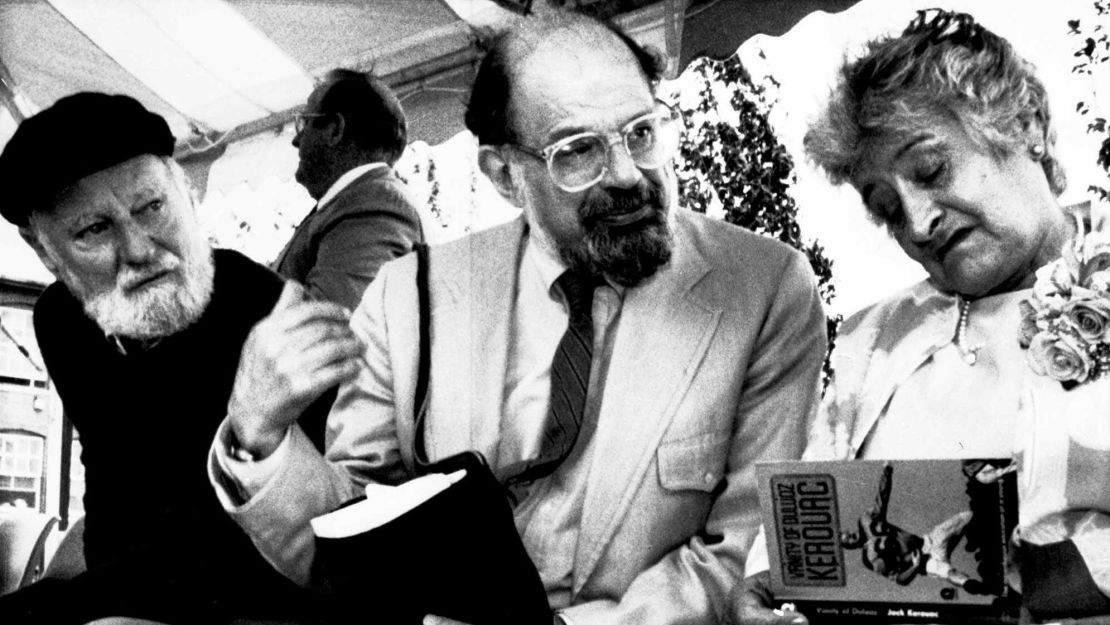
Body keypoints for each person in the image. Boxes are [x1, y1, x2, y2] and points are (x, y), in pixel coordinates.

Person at [209, 10, 827, 625]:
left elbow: (739, 551)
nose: (627, 174)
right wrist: (258, 437)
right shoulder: (407, 299)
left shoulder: (765, 288)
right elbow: (351, 538)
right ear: (504, 174)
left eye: (642, 132)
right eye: (578, 151)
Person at [730, 9, 1110, 625]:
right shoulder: (872, 335)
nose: (919, 223)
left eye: (932, 170)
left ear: (1026, 125)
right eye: (886, 208)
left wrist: (1026, 588)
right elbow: (808, 517)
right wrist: (764, 586)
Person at [0, 92, 324, 624]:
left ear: (186, 195)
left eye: (152, 207)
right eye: (94, 230)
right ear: (43, 250)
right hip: (125, 585)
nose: (141, 250)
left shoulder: (264, 311)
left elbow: (327, 545)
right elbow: (113, 480)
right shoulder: (61, 321)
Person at [276, 68, 424, 310]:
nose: (296, 140)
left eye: (305, 123)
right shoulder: (354, 202)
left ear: (335, 129)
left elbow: (327, 325)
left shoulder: (373, 205)